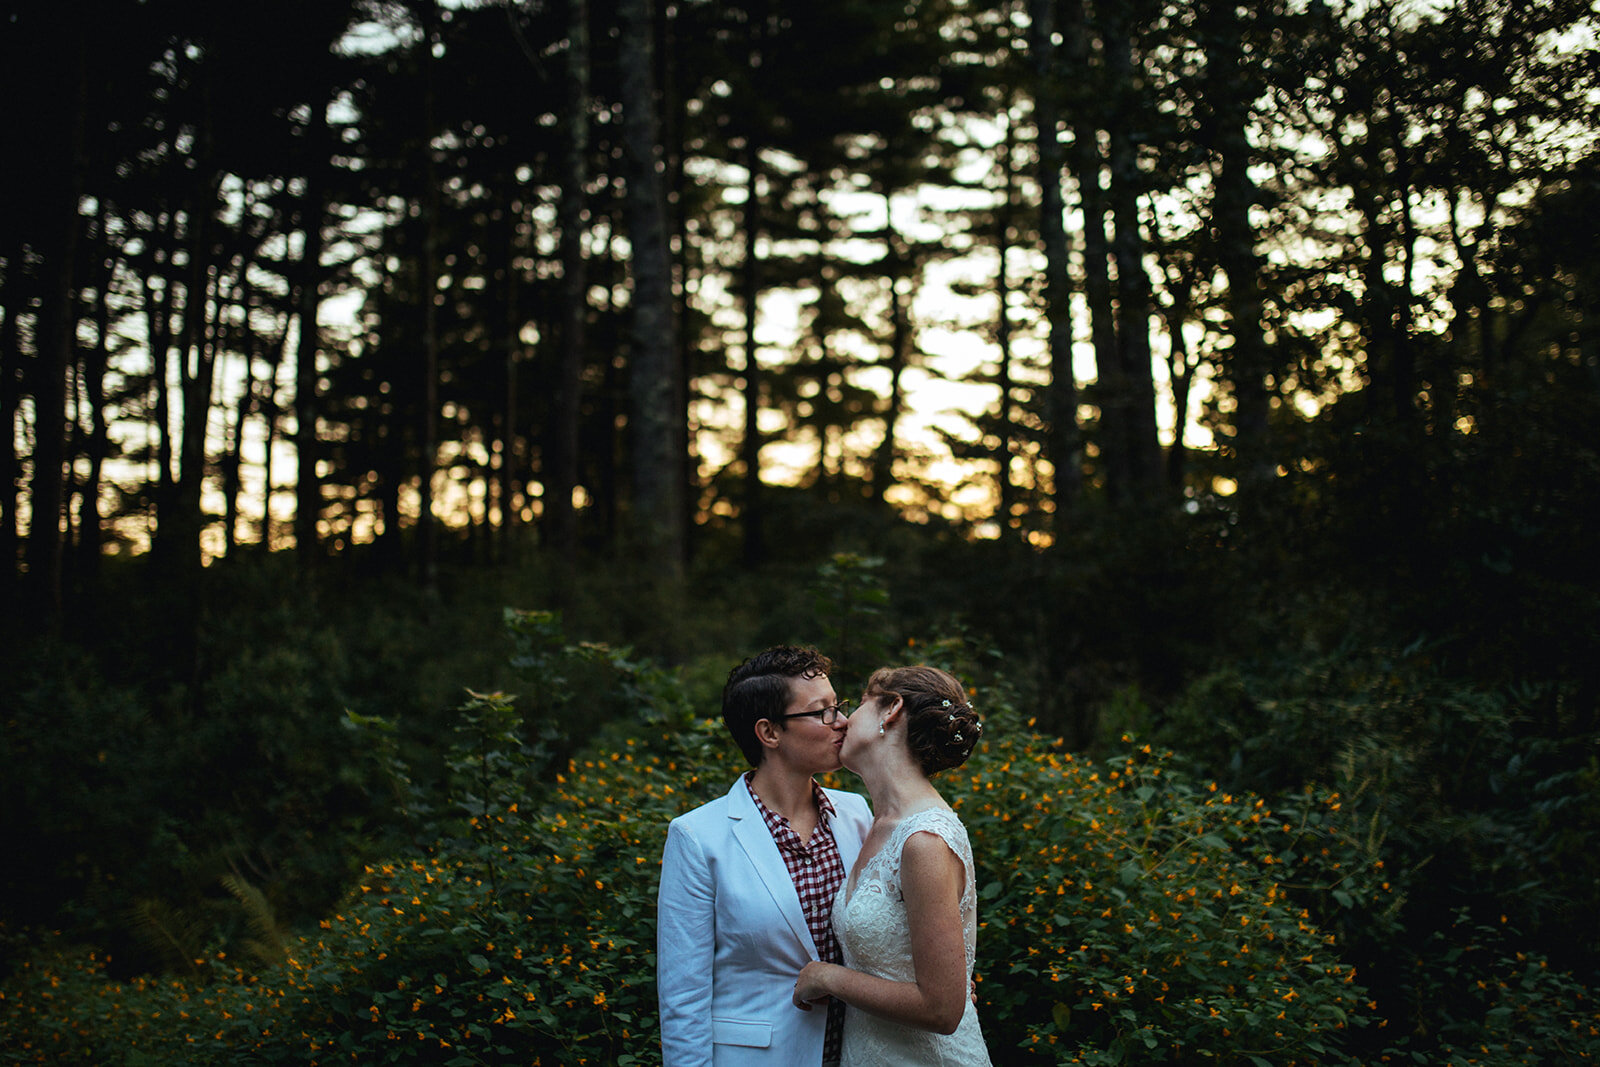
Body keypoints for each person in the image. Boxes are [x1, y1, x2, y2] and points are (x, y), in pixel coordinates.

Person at [657, 645, 874, 1066]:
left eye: (839, 706)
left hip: (859, 1050)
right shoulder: (698, 837)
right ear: (770, 733)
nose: (843, 723)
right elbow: (684, 996)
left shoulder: (856, 813)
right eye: (822, 711)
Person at [791, 664, 992, 1066]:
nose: (844, 720)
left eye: (861, 702)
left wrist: (827, 977)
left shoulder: (925, 841)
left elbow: (942, 1009)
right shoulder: (870, 824)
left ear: (891, 710)